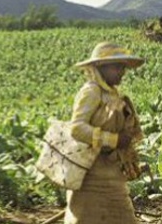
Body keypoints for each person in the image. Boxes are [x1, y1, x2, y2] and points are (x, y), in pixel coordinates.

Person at [64, 42, 145, 224]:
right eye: (117, 67)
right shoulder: (91, 91)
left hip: (111, 172)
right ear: (101, 67)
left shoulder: (112, 93)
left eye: (123, 67)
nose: (122, 72)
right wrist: (114, 139)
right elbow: (77, 128)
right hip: (91, 176)